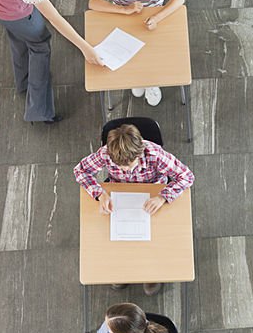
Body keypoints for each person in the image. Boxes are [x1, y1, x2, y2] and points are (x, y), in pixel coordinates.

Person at [74, 123, 194, 296]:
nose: (126, 169)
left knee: (155, 239)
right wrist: (99, 193)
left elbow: (187, 176)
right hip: (120, 196)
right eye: (120, 166)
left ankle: (150, 275)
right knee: (115, 238)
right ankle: (122, 271)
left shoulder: (154, 153)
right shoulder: (105, 153)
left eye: (130, 165)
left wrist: (163, 196)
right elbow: (80, 171)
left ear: (139, 153)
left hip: (153, 196)